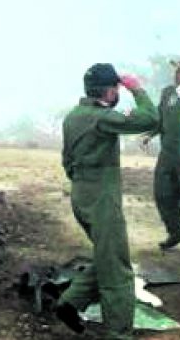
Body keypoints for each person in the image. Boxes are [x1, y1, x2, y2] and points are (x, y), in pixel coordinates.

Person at [54, 63, 159, 339]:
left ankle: (70, 302)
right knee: (118, 273)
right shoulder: (103, 117)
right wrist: (137, 89)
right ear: (110, 90)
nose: (118, 92)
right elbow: (150, 118)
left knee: (108, 256)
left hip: (81, 193)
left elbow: (67, 160)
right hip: (102, 199)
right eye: (117, 88)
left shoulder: (73, 116)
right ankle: (118, 333)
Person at [141, 56, 180, 263]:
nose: (176, 74)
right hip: (167, 154)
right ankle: (177, 232)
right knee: (163, 194)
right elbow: (161, 118)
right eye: (176, 70)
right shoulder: (169, 92)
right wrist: (150, 133)